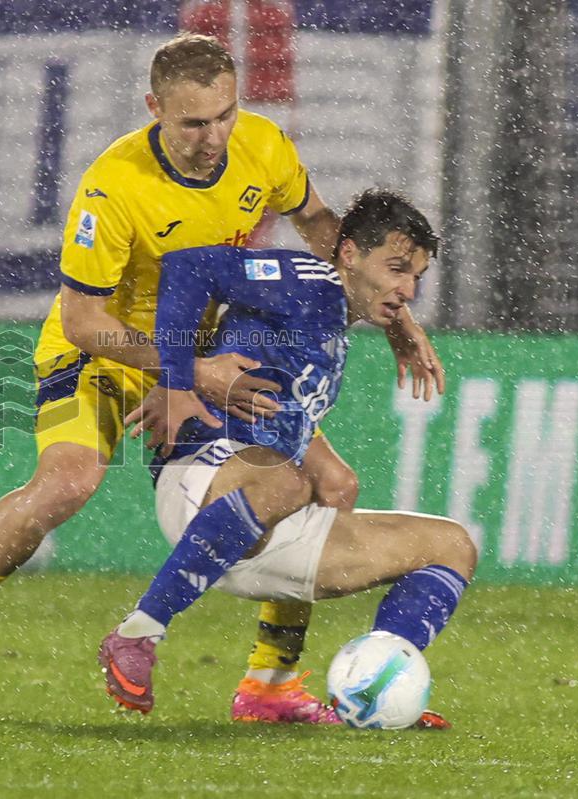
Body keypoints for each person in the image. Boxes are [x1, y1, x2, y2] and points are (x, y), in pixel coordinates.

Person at [0, 34, 445, 719]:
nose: (215, 136)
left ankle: (268, 681)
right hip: (106, 352)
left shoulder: (262, 145)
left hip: (211, 352)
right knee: (69, 480)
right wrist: (188, 368)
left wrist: (391, 312)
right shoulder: (113, 187)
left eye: (226, 115)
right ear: (154, 108)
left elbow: (324, 227)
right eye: (193, 122)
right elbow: (85, 319)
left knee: (333, 484)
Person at [98, 189, 475, 728]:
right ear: (348, 255)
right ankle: (137, 632)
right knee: (291, 483)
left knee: (448, 544)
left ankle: (355, 683)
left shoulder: (338, 315)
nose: (407, 289)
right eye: (396, 269)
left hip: (260, 513)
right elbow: (188, 267)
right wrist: (178, 380)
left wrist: (400, 326)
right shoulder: (304, 278)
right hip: (201, 469)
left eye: (415, 277)